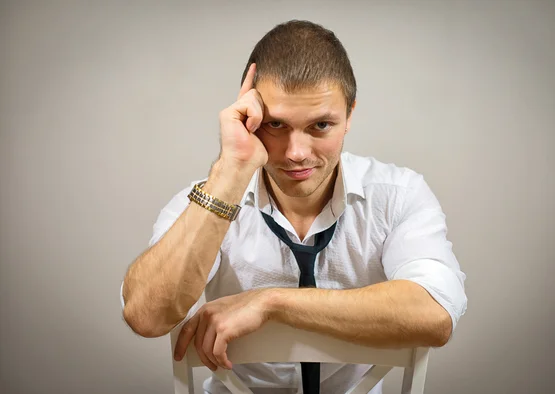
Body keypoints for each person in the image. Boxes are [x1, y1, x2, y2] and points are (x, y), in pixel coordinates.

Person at [120, 19, 467, 394]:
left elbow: (434, 313)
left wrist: (272, 302)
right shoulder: (208, 198)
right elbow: (146, 316)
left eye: (320, 125)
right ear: (249, 121)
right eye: (275, 124)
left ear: (350, 115)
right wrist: (231, 171)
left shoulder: (398, 194)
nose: (296, 153)